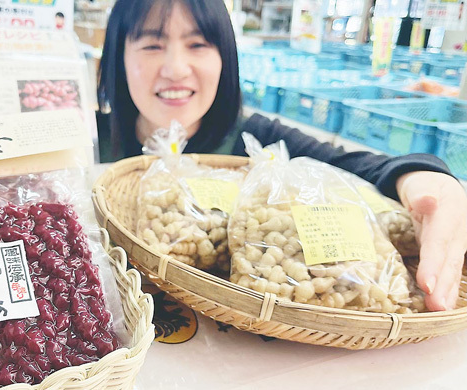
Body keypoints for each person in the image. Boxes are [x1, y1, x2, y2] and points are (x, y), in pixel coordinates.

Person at [97, 0, 467, 312]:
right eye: (151, 45)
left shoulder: (259, 140)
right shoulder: (90, 142)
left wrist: (424, 176)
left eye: (198, 45)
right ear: (117, 56)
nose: (176, 68)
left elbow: (356, 166)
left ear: (226, 58)